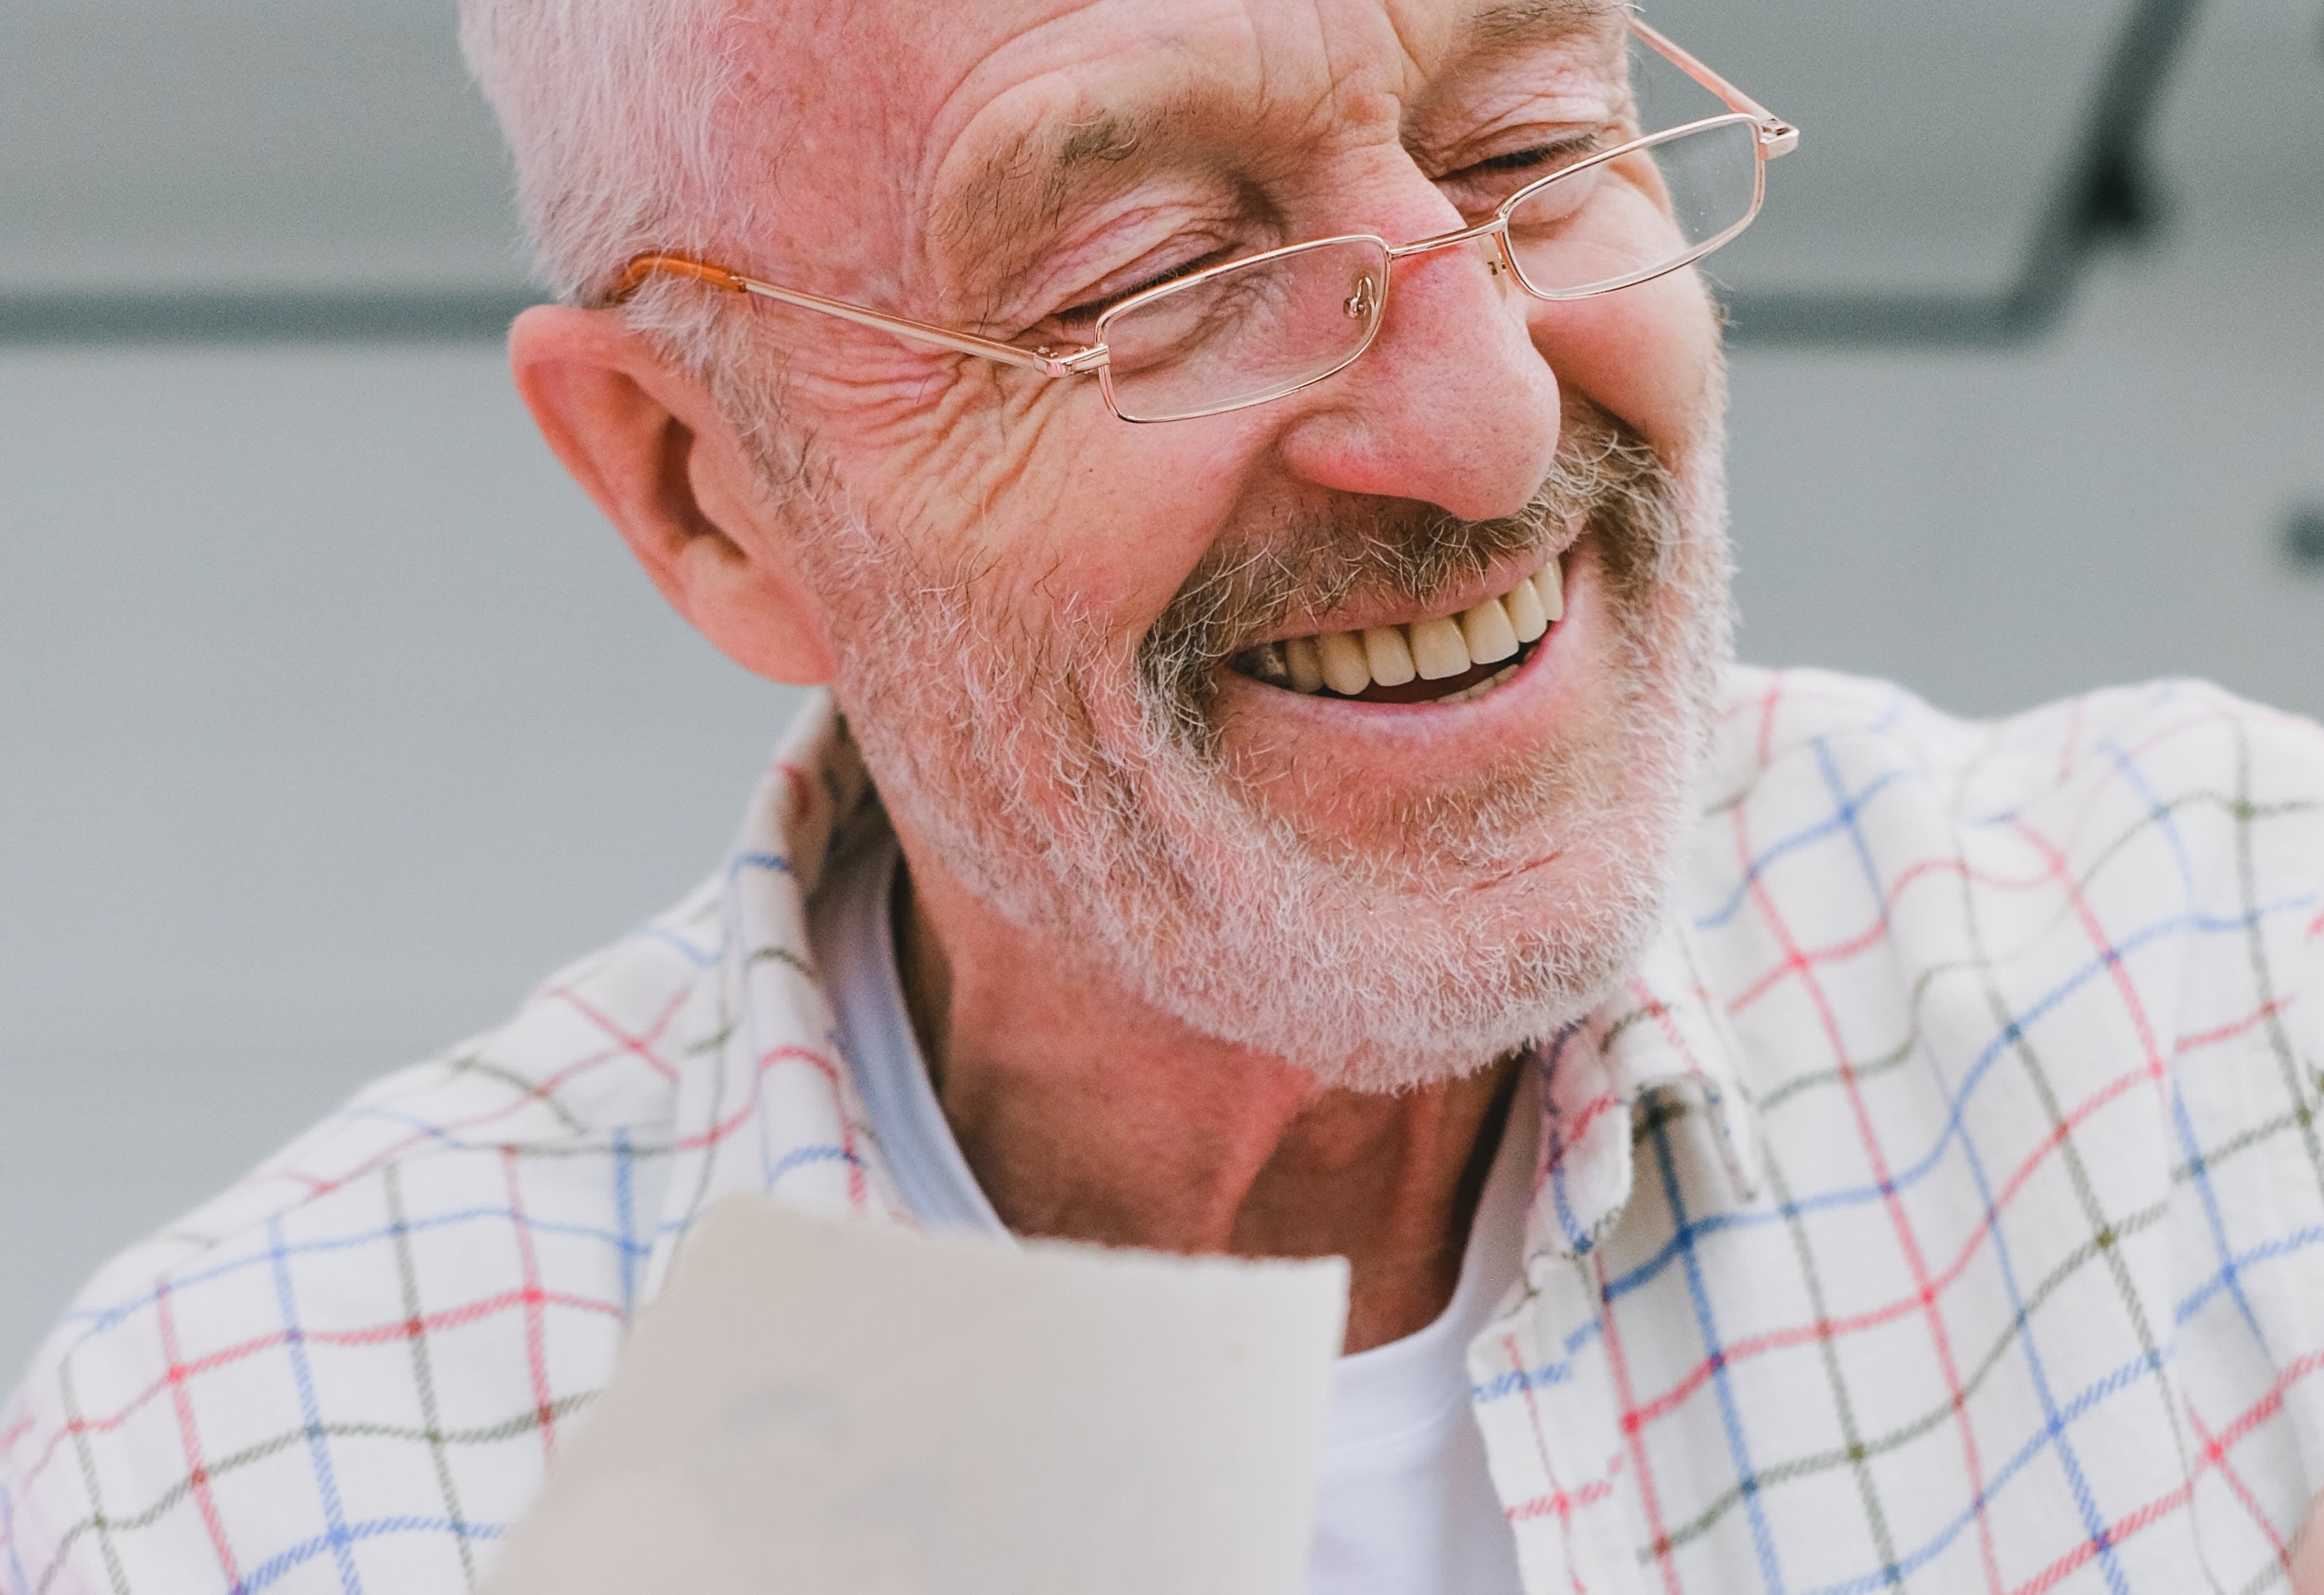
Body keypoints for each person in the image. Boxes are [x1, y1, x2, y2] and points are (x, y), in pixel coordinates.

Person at [6, 0, 2323, 1590]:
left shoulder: (2242, 994)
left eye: (1525, 149)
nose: (1488, 425)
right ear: (703, 485)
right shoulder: (255, 1461)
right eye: (1155, 277)